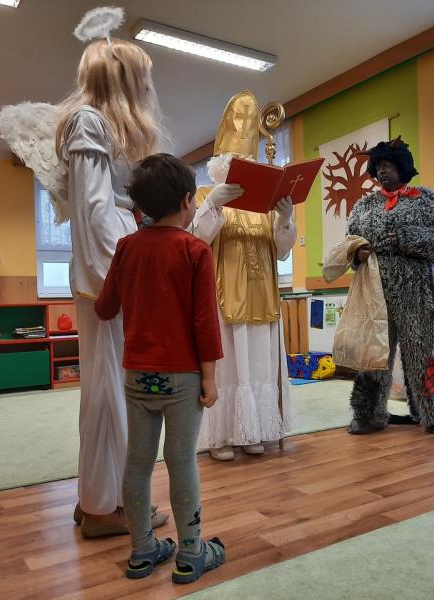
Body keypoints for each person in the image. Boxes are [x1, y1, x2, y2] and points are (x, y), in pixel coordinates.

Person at [95, 154, 226, 583]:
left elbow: (105, 308)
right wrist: (209, 379)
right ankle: (190, 553)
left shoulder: (127, 247)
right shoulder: (194, 249)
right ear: (187, 200)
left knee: (137, 463)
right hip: (184, 379)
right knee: (181, 460)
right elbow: (205, 322)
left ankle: (141, 551)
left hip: (137, 376)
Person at [55, 37, 168, 536]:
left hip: (109, 270)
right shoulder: (89, 121)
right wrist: (120, 283)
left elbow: (102, 209)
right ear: (123, 79)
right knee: (108, 392)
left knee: (109, 390)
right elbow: (96, 212)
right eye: (142, 78)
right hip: (106, 277)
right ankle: (106, 508)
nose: (147, 88)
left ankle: (101, 497)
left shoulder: (96, 125)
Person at [191, 91, 296, 461]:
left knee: (259, 365)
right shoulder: (206, 194)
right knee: (229, 368)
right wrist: (212, 204)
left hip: (262, 296)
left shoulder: (263, 204)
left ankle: (255, 430)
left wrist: (285, 219)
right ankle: (221, 437)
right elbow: (195, 241)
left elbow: (281, 251)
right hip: (224, 298)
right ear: (222, 165)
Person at [345, 137, 434, 436]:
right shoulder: (364, 206)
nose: (383, 171)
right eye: (379, 166)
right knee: (374, 353)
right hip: (375, 292)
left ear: (402, 167)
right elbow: (349, 242)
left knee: (423, 350)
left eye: (389, 165)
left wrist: (407, 238)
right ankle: (368, 414)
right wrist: (357, 254)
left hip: (418, 292)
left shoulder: (425, 200)